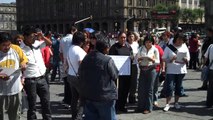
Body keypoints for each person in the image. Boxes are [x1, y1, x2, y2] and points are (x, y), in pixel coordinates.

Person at [78, 32, 119, 120]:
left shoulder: (86, 57)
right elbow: (115, 75)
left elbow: (80, 73)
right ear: (105, 48)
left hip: (89, 95)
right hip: (105, 96)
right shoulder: (107, 60)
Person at [20, 26, 52, 120]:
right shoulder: (20, 49)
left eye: (34, 36)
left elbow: (49, 43)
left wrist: (42, 36)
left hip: (42, 78)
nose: (33, 38)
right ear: (25, 37)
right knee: (32, 105)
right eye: (31, 37)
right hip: (30, 80)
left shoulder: (37, 43)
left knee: (46, 102)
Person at [0, 32, 28, 120]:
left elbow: (24, 60)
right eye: (4, 45)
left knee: (15, 115)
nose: (7, 47)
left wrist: (24, 64)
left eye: (8, 44)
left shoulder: (16, 48)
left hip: (15, 89)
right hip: (1, 91)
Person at [162, 33, 190, 112]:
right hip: (171, 69)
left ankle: (176, 102)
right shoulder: (169, 47)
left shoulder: (184, 47)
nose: (180, 42)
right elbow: (164, 58)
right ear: (175, 39)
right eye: (178, 40)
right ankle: (167, 104)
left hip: (181, 70)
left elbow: (188, 57)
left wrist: (186, 59)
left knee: (179, 86)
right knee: (170, 87)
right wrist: (171, 59)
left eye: (181, 40)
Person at [109, 32, 132, 113]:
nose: (123, 39)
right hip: (117, 73)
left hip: (126, 72)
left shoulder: (128, 47)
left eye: (125, 37)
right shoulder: (114, 47)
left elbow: (131, 57)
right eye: (122, 37)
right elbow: (110, 60)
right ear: (118, 38)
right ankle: (116, 106)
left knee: (125, 90)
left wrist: (132, 59)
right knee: (118, 90)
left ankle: (122, 106)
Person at [136, 35, 160, 114]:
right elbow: (137, 58)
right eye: (146, 42)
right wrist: (139, 59)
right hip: (143, 69)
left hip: (151, 69)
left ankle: (148, 107)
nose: (148, 44)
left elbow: (158, 61)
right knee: (141, 88)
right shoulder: (141, 48)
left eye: (149, 42)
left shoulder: (155, 49)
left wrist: (152, 60)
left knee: (150, 89)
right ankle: (140, 106)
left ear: (152, 42)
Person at [66, 31, 87, 120]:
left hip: (70, 75)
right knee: (83, 99)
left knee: (74, 98)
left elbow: (66, 63)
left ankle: (74, 115)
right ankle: (78, 117)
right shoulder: (80, 51)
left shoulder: (70, 48)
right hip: (78, 77)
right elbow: (82, 64)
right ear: (81, 41)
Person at [59, 26, 77, 107]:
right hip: (73, 62)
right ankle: (72, 101)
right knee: (73, 84)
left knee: (66, 82)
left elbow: (61, 53)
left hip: (65, 63)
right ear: (73, 31)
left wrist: (63, 62)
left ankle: (66, 100)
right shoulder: (74, 38)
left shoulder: (62, 39)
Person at [126, 31, 139, 104]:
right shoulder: (126, 44)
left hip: (134, 64)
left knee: (134, 82)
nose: (131, 38)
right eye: (130, 36)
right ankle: (125, 96)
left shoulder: (136, 44)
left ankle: (132, 97)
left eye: (132, 36)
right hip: (127, 65)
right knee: (127, 81)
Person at [204, 43, 213, 108]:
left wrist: (204, 65)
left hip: (211, 69)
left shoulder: (211, 46)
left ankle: (209, 103)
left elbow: (205, 57)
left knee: (210, 87)